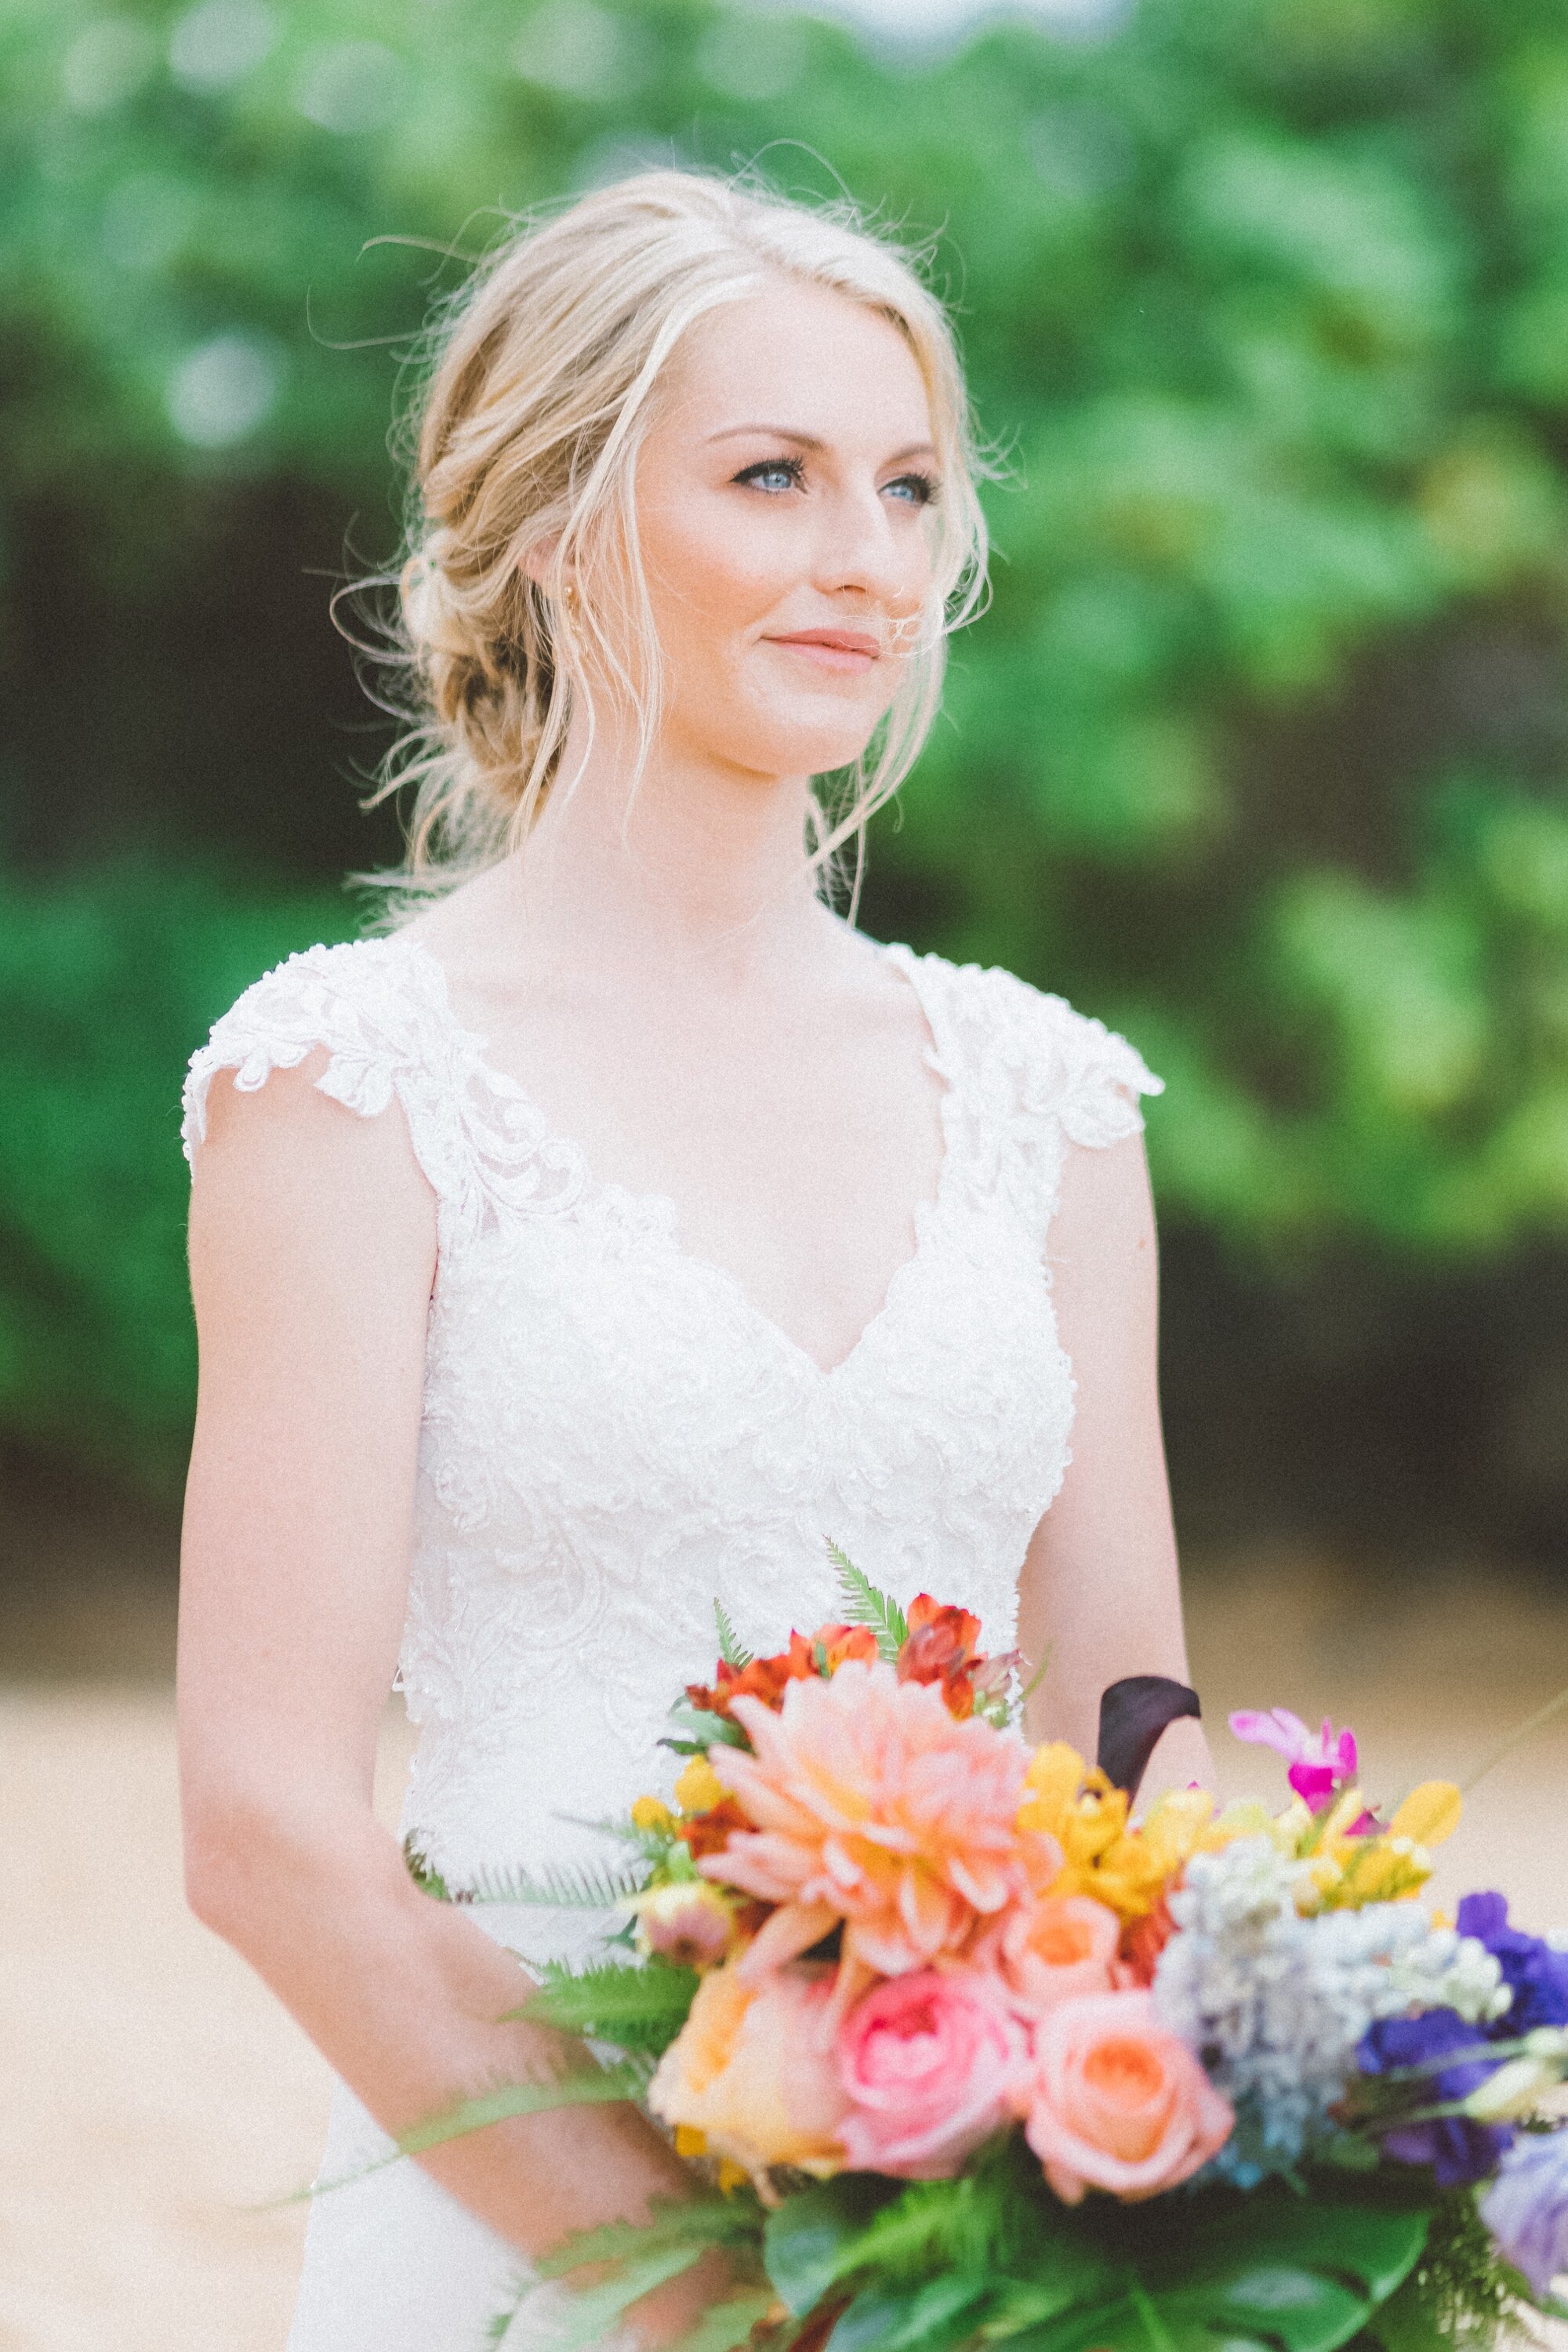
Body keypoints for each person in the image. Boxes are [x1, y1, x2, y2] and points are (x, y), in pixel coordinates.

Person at [176, 169, 1211, 2352]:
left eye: (913, 489)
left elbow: (1132, 1721)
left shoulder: (1053, 1104)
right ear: (556, 524)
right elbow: (267, 1826)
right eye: (774, 475)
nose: (867, 555)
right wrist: (714, 2305)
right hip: (520, 2242)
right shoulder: (351, 1085)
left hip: (969, 2254)